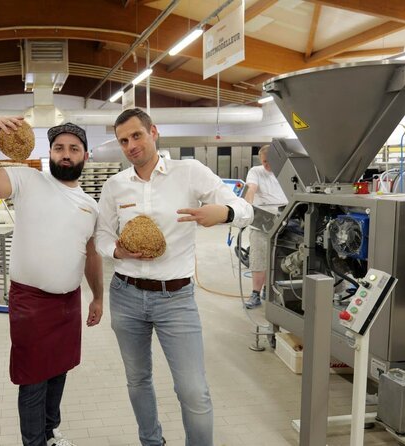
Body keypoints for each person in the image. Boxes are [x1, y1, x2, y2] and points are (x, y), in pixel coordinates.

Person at [96, 108, 253, 446]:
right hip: (125, 294)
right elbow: (102, 236)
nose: (131, 145)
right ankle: (151, 441)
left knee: (193, 391)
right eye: (124, 140)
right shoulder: (115, 185)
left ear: (154, 132)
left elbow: (244, 209)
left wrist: (223, 212)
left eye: (137, 135)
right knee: (138, 380)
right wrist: (117, 251)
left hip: (176, 298)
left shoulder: (190, 173)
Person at [0, 117, 104, 446]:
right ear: (50, 153)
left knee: (60, 371)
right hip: (31, 301)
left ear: (85, 155)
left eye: (73, 148)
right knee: (33, 379)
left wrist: (98, 297)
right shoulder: (28, 180)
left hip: (69, 302)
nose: (66, 154)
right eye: (59, 148)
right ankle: (34, 442)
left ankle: (50, 433)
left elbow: (92, 255)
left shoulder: (90, 206)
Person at [243, 145, 288, 309]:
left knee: (281, 258)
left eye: (270, 162)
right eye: (264, 162)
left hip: (285, 217)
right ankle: (256, 294)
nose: (267, 165)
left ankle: (271, 290)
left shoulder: (286, 172)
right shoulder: (256, 171)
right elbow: (251, 189)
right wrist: (246, 206)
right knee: (259, 258)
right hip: (262, 218)